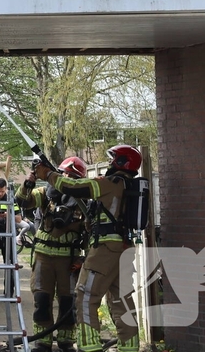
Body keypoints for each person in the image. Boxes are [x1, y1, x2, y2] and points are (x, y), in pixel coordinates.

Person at [34, 145, 144, 352]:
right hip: (122, 248)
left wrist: (48, 174)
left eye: (114, 159)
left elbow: (74, 187)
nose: (110, 163)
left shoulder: (112, 183)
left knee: (85, 296)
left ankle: (88, 347)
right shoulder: (128, 186)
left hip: (104, 250)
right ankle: (129, 348)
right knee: (121, 299)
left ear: (122, 162)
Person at [19, 157, 89, 352]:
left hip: (69, 261)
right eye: (63, 174)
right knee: (42, 299)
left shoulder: (84, 204)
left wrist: (83, 259)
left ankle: (66, 341)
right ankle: (43, 342)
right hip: (43, 257)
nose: (65, 179)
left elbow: (92, 233)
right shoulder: (46, 194)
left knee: (68, 302)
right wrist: (28, 183)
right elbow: (23, 201)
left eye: (71, 177)